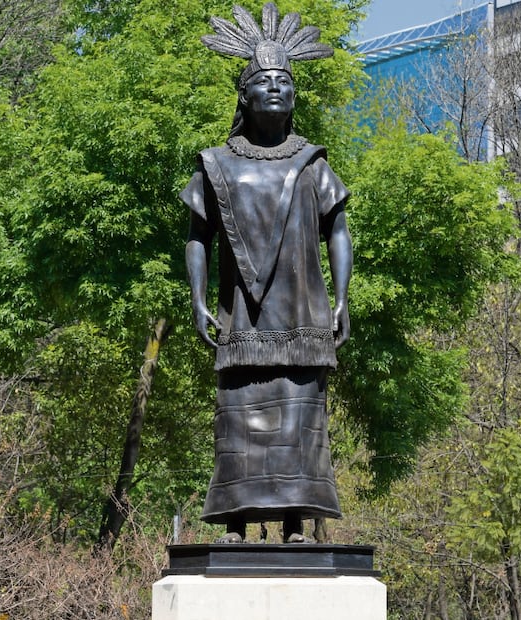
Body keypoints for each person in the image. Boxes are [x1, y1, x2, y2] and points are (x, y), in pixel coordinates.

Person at [180, 3, 351, 543]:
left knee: (300, 417)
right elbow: (196, 237)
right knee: (238, 415)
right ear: (246, 95)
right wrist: (198, 299)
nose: (276, 89)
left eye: (286, 82)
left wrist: (343, 299)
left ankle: (297, 521)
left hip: (302, 315)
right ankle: (234, 521)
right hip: (243, 322)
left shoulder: (313, 165)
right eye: (265, 82)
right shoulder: (217, 164)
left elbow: (337, 231)